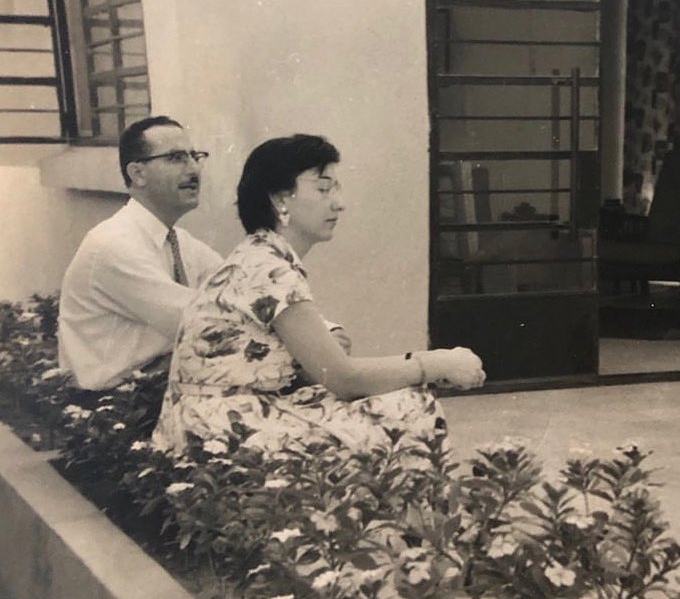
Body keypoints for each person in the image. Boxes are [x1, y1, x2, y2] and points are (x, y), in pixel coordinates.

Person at [151, 134, 485, 456]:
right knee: (409, 407)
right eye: (324, 189)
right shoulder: (269, 268)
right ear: (280, 199)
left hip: (208, 421)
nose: (339, 204)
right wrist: (438, 362)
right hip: (222, 430)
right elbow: (343, 378)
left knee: (390, 403)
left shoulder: (259, 254)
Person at [58, 116, 223, 390]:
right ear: (137, 174)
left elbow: (241, 289)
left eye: (195, 156)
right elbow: (202, 323)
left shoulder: (179, 240)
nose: (193, 169)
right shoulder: (113, 245)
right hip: (111, 409)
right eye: (175, 158)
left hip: (157, 388)